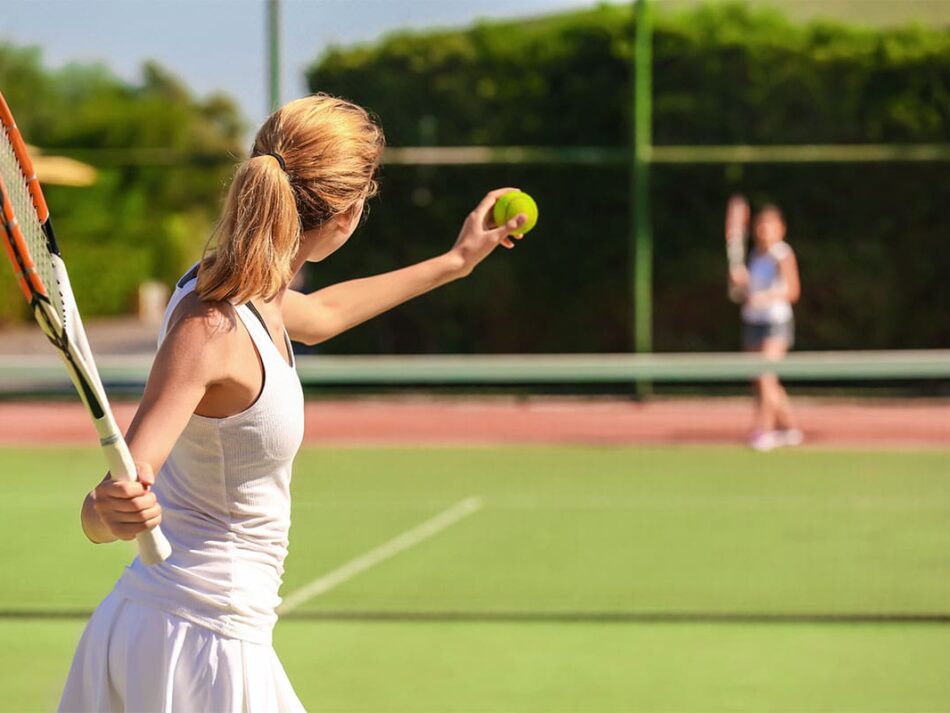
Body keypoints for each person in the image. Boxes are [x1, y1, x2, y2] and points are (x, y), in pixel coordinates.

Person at [59, 94, 529, 712]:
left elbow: (325, 314)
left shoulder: (243, 290)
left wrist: (456, 262)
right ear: (347, 214)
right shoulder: (213, 324)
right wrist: (106, 509)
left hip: (191, 630)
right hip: (198, 643)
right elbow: (106, 509)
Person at [726, 197, 803, 451]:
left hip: (776, 323)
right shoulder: (754, 256)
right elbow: (743, 291)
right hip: (753, 322)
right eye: (761, 225)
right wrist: (739, 283)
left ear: (781, 228)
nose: (764, 229)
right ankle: (791, 428)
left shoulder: (783, 254)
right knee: (759, 380)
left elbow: (792, 290)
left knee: (766, 376)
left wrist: (765, 297)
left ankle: (764, 431)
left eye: (770, 225)